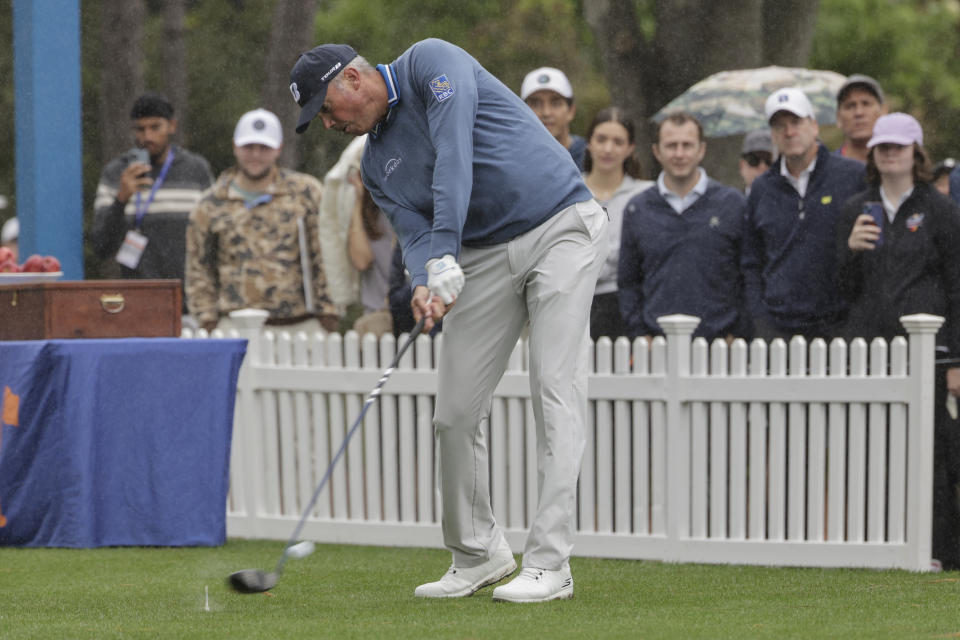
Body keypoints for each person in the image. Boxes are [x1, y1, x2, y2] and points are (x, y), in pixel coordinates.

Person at [290, 39, 607, 602]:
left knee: (553, 390)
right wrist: (423, 279)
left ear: (352, 82)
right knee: (454, 415)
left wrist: (444, 255)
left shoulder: (431, 64)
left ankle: (551, 563)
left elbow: (454, 155)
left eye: (325, 109)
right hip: (481, 254)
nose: (328, 124)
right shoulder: (374, 163)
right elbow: (412, 231)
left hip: (559, 223)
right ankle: (477, 552)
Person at [835, 112, 960, 570]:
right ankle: (880, 547)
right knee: (872, 450)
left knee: (932, 452)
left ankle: (938, 549)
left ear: (915, 153)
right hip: (870, 352)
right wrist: (850, 250)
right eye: (882, 146)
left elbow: (956, 284)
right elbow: (843, 288)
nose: (889, 153)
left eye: (898, 146)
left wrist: (956, 361)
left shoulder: (941, 209)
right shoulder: (855, 209)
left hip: (928, 353)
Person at [185, 108, 338, 333]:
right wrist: (207, 319)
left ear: (278, 149)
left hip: (299, 323)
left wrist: (329, 310)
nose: (256, 154)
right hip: (232, 325)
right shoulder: (209, 204)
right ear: (235, 147)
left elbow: (326, 253)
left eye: (264, 148)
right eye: (248, 147)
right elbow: (198, 267)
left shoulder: (307, 193)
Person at [741, 87, 866, 342]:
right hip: (778, 328)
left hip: (840, 325)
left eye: (796, 122)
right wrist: (759, 318)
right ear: (772, 135)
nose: (789, 132)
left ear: (814, 126)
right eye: (779, 126)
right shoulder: (762, 189)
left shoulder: (853, 176)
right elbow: (751, 261)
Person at [618, 112, 748, 342]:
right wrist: (640, 333)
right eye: (671, 146)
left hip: (720, 345)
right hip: (656, 345)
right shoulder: (637, 210)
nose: (679, 154)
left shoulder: (732, 204)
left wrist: (738, 332)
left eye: (687, 145)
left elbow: (748, 274)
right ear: (657, 151)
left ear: (701, 150)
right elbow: (628, 282)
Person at [90, 93, 214, 309]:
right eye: (140, 129)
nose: (148, 137)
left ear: (172, 126)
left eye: (155, 127)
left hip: (190, 302)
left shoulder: (196, 170)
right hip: (136, 303)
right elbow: (101, 245)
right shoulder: (116, 173)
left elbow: (215, 236)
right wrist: (120, 200)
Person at [581, 107, 653, 341]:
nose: (608, 149)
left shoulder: (647, 195)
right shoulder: (569, 192)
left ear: (630, 148)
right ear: (589, 142)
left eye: (618, 141)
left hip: (628, 305)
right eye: (601, 139)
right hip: (576, 302)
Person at [346, 168, 397, 337]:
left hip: (415, 313)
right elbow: (361, 261)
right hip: (376, 318)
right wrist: (358, 201)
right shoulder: (367, 216)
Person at [520, 67, 587, 170]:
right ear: (523, 110)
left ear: (571, 111)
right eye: (535, 104)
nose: (546, 112)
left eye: (556, 103)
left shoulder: (592, 157)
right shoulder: (513, 157)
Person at [834, 74, 886, 164]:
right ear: (838, 117)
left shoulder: (902, 166)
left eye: (866, 103)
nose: (859, 113)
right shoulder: (825, 170)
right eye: (850, 106)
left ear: (883, 111)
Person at [738, 129, 774, 195]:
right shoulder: (732, 203)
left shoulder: (790, 202)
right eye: (754, 160)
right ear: (742, 166)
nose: (762, 167)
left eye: (768, 160)